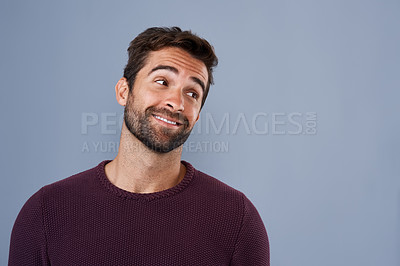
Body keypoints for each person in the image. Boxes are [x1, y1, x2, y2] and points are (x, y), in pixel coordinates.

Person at [9, 27, 269, 265]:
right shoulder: (46, 211)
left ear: (197, 115)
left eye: (192, 93)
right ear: (124, 91)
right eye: (162, 82)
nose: (176, 103)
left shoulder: (236, 219)